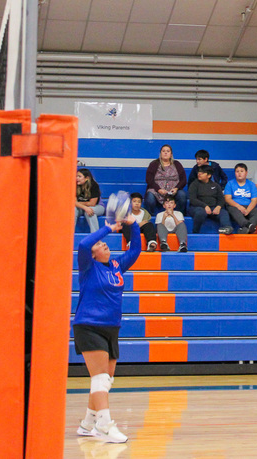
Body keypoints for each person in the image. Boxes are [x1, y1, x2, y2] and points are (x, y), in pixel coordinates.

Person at [73, 212, 141, 443]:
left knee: (106, 380)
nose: (105, 246)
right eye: (101, 245)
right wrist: (108, 229)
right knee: (100, 378)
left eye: (105, 244)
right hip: (89, 325)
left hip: (112, 327)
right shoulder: (88, 267)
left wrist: (134, 225)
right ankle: (104, 425)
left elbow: (135, 251)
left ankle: (87, 424)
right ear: (94, 254)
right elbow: (83, 243)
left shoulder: (116, 266)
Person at [188, 165, 231, 234]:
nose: (199, 174)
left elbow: (221, 199)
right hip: (197, 207)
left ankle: (227, 228)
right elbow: (193, 199)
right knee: (200, 212)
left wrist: (218, 206)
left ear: (209, 175)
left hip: (213, 207)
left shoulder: (215, 185)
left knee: (224, 213)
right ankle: (195, 232)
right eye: (199, 172)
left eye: (202, 173)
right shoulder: (194, 184)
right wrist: (205, 206)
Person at [144, 144, 187, 214]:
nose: (165, 153)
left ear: (171, 154)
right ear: (160, 153)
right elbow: (149, 179)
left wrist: (176, 188)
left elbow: (183, 180)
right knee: (149, 198)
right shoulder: (154, 164)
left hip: (173, 191)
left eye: (168, 151)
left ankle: (179, 216)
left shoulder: (177, 164)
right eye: (163, 151)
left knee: (182, 196)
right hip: (156, 190)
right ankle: (150, 218)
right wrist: (158, 189)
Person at [224, 163, 257, 234]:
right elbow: (228, 199)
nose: (239, 173)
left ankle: (244, 230)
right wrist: (239, 207)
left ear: (246, 173)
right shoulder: (230, 183)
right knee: (234, 210)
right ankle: (248, 225)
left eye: (241, 171)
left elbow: (255, 200)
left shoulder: (251, 184)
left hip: (248, 206)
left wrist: (248, 210)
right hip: (234, 206)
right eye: (237, 171)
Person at [75, 169, 105, 233]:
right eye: (76, 176)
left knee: (90, 211)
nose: (77, 178)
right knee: (73, 210)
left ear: (87, 178)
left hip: (97, 206)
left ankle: (95, 237)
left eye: (79, 176)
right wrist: (85, 208)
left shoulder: (94, 185)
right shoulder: (74, 185)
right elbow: (73, 203)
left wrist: (79, 204)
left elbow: (92, 203)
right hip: (82, 207)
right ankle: (69, 234)